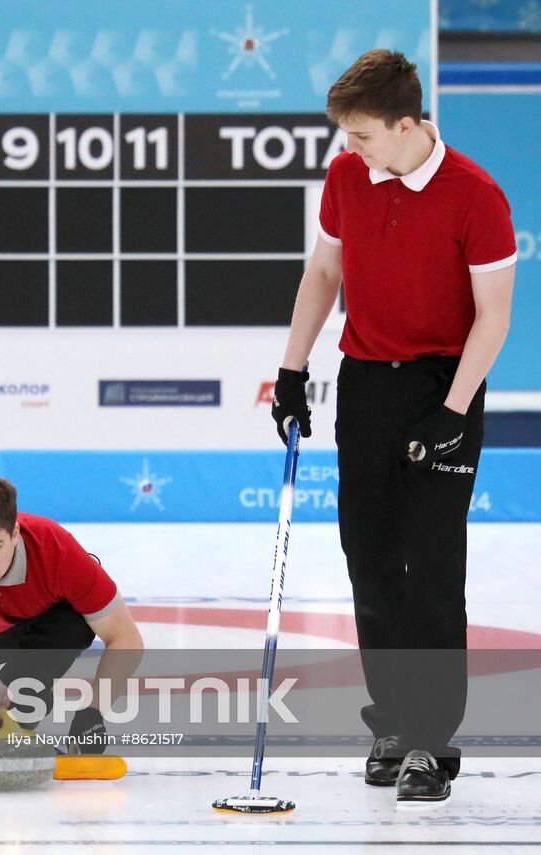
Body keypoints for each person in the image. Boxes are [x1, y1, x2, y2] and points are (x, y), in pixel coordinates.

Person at [271, 49, 515, 802]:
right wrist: (290, 368)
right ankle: (393, 723)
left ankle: (432, 742)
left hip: (444, 383)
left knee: (431, 569)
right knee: (370, 561)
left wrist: (453, 409)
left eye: (365, 136)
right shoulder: (347, 178)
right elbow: (323, 273)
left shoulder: (476, 194)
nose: (352, 150)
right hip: (366, 384)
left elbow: (494, 317)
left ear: (408, 124)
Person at [0, 474, 144, 751]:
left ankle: (27, 698)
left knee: (71, 626)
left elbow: (125, 638)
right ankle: (25, 702)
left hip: (54, 624)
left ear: (14, 534)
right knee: (10, 702)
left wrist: (92, 713)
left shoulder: (56, 549)